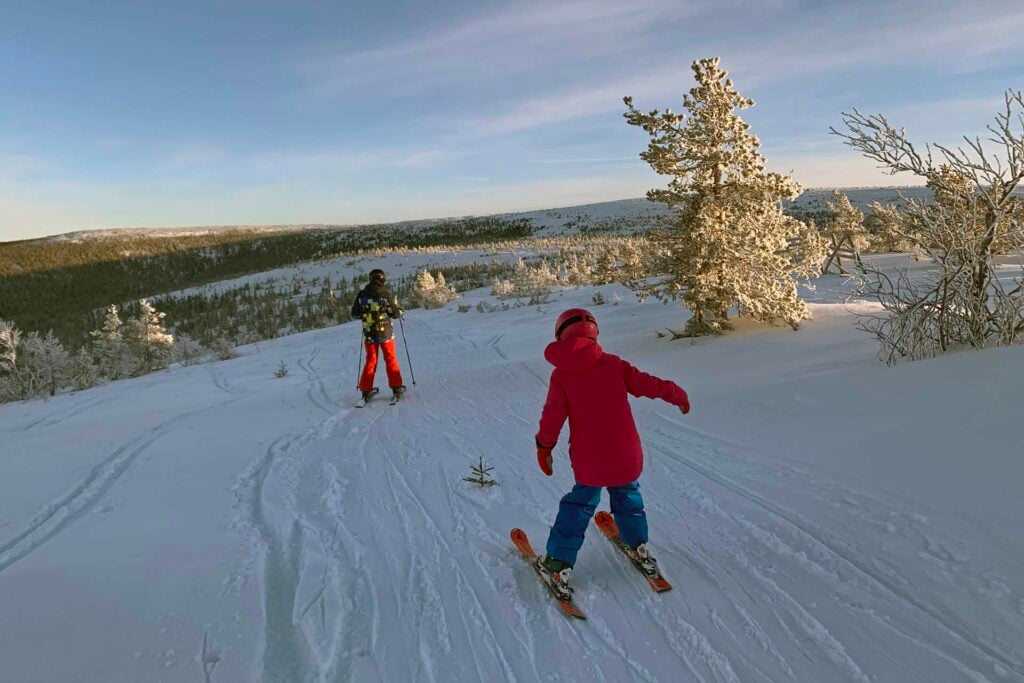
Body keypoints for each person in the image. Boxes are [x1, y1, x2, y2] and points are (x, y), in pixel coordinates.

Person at [534, 308, 690, 590]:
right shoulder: (614, 365)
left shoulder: (562, 376)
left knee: (580, 504)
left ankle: (557, 565)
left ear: (560, 335)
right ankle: (639, 546)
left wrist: (544, 446)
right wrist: (676, 393)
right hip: (625, 454)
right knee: (628, 496)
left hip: (589, 460)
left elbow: (552, 415)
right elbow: (649, 384)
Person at [351, 269, 405, 402]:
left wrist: (367, 313)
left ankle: (366, 390)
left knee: (371, 361)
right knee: (390, 359)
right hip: (385, 333)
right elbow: (395, 313)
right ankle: (396, 388)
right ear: (382, 279)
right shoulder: (385, 294)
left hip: (369, 333)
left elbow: (355, 314)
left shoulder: (362, 294)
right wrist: (400, 312)